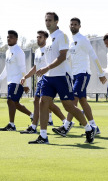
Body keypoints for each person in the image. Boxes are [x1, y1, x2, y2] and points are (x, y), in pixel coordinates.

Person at [28, 12, 96, 144]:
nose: (47, 23)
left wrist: (47, 68)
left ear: (56, 22)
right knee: (43, 102)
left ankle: (88, 128)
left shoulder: (62, 36)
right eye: (46, 20)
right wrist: (45, 70)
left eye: (50, 20)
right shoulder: (49, 40)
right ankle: (43, 136)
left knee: (69, 106)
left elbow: (62, 56)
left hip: (62, 77)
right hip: (49, 78)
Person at [53, 17, 106, 136]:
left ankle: (66, 126)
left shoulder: (83, 39)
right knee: (82, 101)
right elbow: (66, 58)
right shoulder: (70, 41)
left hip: (83, 73)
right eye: (71, 24)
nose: (73, 26)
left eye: (75, 24)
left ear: (79, 26)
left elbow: (93, 55)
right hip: (74, 75)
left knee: (73, 100)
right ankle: (94, 127)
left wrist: (101, 73)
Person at [20, 30, 67, 134]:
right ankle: (65, 121)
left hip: (47, 79)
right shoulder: (37, 51)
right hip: (40, 80)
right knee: (46, 104)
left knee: (38, 101)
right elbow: (35, 68)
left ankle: (34, 127)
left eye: (40, 37)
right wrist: (25, 77)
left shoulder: (48, 49)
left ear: (46, 38)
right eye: (37, 37)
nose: (38, 39)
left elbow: (53, 63)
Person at [0, 30, 33, 131]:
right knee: (15, 103)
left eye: (11, 37)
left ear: (16, 39)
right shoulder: (8, 51)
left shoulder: (19, 51)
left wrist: (25, 84)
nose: (9, 39)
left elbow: (22, 68)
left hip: (17, 81)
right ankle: (32, 115)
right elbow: (6, 68)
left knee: (10, 101)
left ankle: (11, 125)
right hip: (10, 81)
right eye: (8, 37)